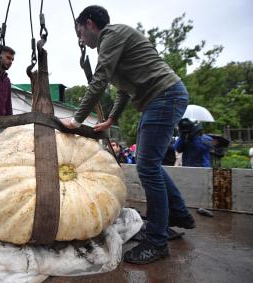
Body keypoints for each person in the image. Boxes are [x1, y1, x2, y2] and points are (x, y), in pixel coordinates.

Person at [60, 5, 195, 264]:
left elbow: (99, 80)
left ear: (89, 24)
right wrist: (111, 118)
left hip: (163, 96)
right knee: (150, 164)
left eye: (79, 31)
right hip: (159, 97)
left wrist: (77, 120)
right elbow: (122, 90)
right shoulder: (112, 44)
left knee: (147, 167)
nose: (80, 39)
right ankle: (176, 215)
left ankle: (157, 241)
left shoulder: (110, 36)